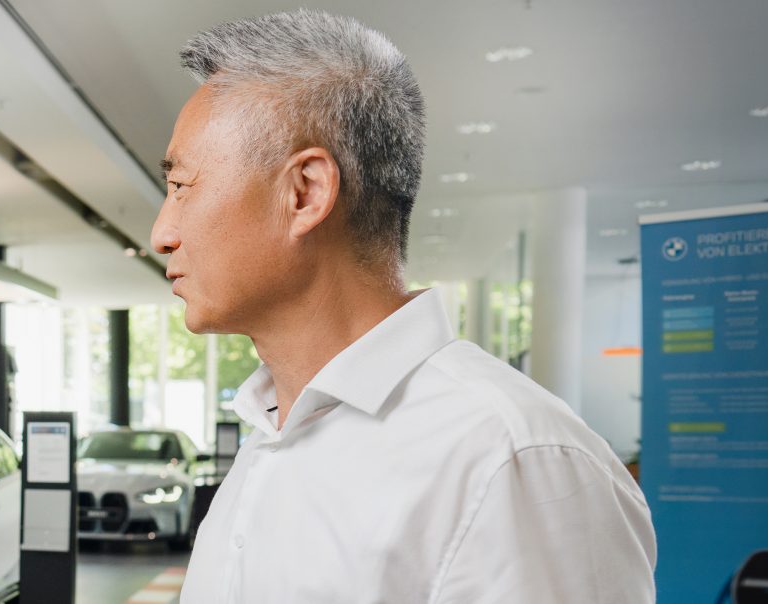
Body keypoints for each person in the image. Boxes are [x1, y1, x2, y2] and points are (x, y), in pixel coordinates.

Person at [156, 11, 657, 603]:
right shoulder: (267, 438)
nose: (163, 233)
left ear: (305, 192)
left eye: (181, 187)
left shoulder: (510, 460)